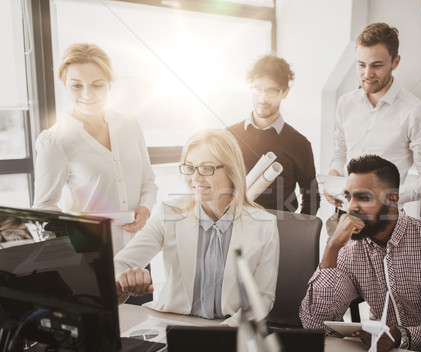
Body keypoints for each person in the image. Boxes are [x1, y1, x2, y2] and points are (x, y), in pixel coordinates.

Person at [300, 155, 421, 352]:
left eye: (363, 197)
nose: (351, 207)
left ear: (392, 200)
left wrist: (400, 336)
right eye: (348, 197)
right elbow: (315, 325)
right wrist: (332, 247)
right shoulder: (349, 251)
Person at [113, 129, 279, 327]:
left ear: (231, 170)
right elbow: (118, 265)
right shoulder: (170, 213)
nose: (196, 179)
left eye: (206, 168)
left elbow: (262, 297)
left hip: (228, 328)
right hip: (170, 325)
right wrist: (122, 280)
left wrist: (226, 330)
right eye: (189, 168)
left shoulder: (264, 225)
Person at [33, 43, 157, 254]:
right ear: (64, 83)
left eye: (97, 85)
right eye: (76, 85)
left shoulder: (129, 124)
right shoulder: (55, 140)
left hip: (138, 252)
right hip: (91, 259)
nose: (87, 94)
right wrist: (77, 234)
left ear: (109, 84)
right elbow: (44, 209)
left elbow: (148, 182)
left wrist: (145, 208)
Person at [325, 22, 421, 211]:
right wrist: (333, 178)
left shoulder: (416, 112)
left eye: (376, 65)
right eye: (361, 65)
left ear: (395, 62)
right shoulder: (345, 104)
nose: (367, 74)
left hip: (387, 219)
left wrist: (382, 198)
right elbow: (340, 153)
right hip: (344, 213)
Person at [228, 54, 320, 215]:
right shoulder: (228, 136)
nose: (262, 98)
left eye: (271, 91)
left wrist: (298, 231)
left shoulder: (300, 144)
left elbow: (311, 196)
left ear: (285, 92)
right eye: (257, 89)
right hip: (236, 224)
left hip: (281, 230)